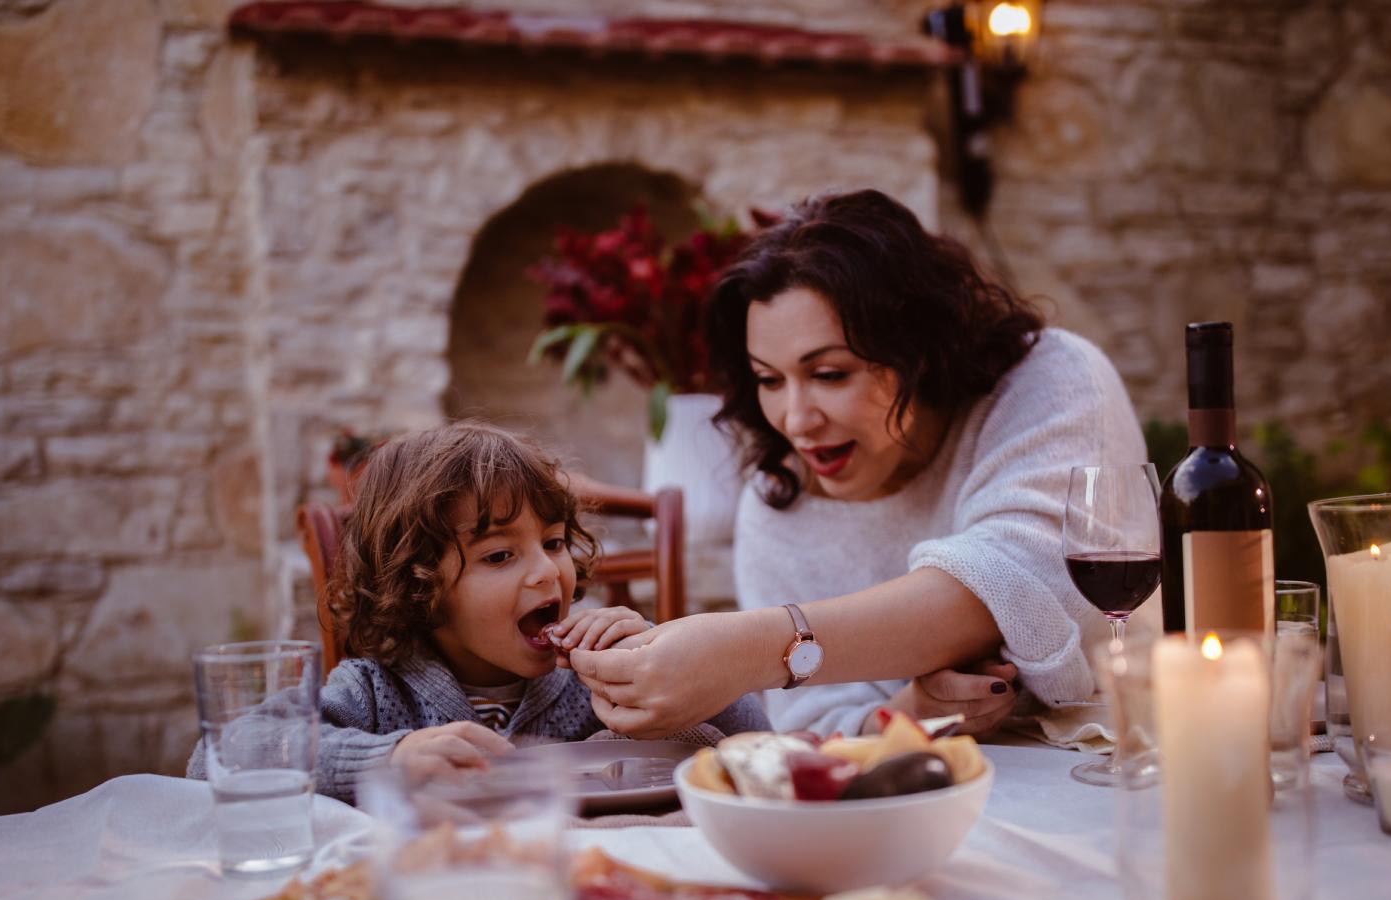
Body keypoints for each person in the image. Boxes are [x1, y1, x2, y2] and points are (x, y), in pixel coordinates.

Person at [569, 189, 1146, 740]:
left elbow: (1019, 577)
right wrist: (903, 714)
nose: (796, 420)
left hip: (1126, 765)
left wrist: (743, 651)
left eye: (829, 374)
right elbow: (808, 721)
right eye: (769, 380)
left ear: (920, 351)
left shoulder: (1053, 380)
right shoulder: (778, 506)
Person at [188, 423, 765, 802]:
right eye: (499, 555)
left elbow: (756, 746)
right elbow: (218, 756)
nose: (547, 571)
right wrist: (387, 758)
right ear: (418, 584)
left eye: (556, 542)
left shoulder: (589, 687)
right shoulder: (375, 693)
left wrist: (661, 673)